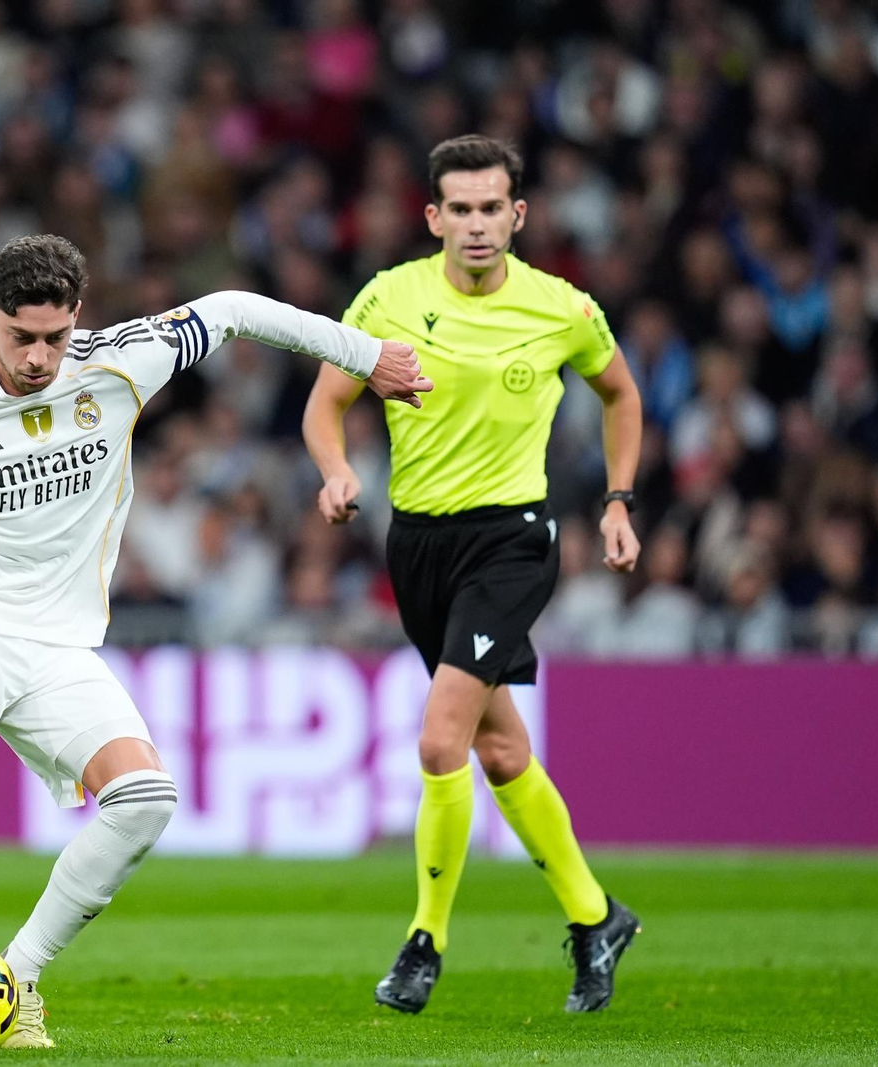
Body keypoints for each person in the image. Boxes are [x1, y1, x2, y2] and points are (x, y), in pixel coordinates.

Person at [0, 234, 428, 1047]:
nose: (38, 357)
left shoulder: (123, 361)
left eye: (54, 338)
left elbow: (236, 310)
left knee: (147, 799)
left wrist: (368, 353)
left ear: (77, 321)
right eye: (20, 337)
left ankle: (17, 979)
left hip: (57, 640)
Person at [302, 135, 645, 1016]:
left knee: (438, 741)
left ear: (517, 215)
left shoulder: (562, 308)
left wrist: (615, 500)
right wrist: (336, 471)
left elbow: (621, 394)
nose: (478, 224)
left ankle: (424, 942)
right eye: (461, 208)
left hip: (512, 541)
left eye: (493, 207)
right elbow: (325, 406)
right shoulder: (389, 296)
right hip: (417, 545)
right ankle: (595, 915)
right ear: (434, 217)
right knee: (499, 749)